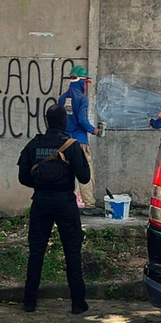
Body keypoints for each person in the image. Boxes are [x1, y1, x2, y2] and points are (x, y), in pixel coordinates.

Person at [17, 104, 91, 315]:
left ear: (46, 121)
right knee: (72, 251)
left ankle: (29, 301)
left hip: (41, 202)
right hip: (65, 203)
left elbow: (23, 178)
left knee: (36, 251)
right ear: (64, 122)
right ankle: (78, 302)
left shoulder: (34, 144)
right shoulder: (71, 145)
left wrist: (42, 184)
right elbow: (85, 177)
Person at [58, 65, 100, 215]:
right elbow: (82, 120)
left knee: (66, 172)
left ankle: (66, 203)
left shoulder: (62, 98)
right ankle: (89, 204)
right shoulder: (82, 98)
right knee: (86, 172)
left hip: (64, 142)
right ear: (81, 81)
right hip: (80, 142)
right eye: (85, 82)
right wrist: (93, 130)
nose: (85, 86)